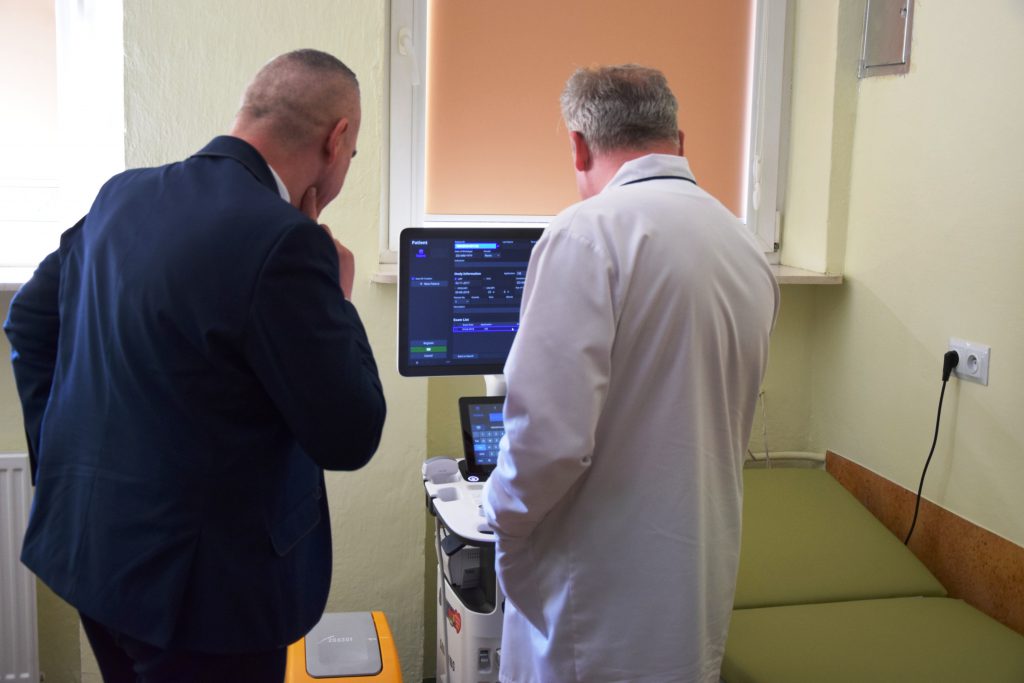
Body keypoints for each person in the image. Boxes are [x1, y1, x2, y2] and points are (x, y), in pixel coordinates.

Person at [3, 49, 386, 682]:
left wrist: (67, 470)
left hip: (93, 556)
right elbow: (351, 435)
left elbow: (30, 321)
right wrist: (339, 296)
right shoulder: (287, 243)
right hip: (205, 602)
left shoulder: (121, 195)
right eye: (354, 151)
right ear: (336, 137)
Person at [482, 65, 780, 682]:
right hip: (694, 575)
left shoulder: (585, 234)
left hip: (595, 593)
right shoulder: (743, 244)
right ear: (679, 140)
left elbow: (548, 440)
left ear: (578, 145)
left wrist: (498, 511)